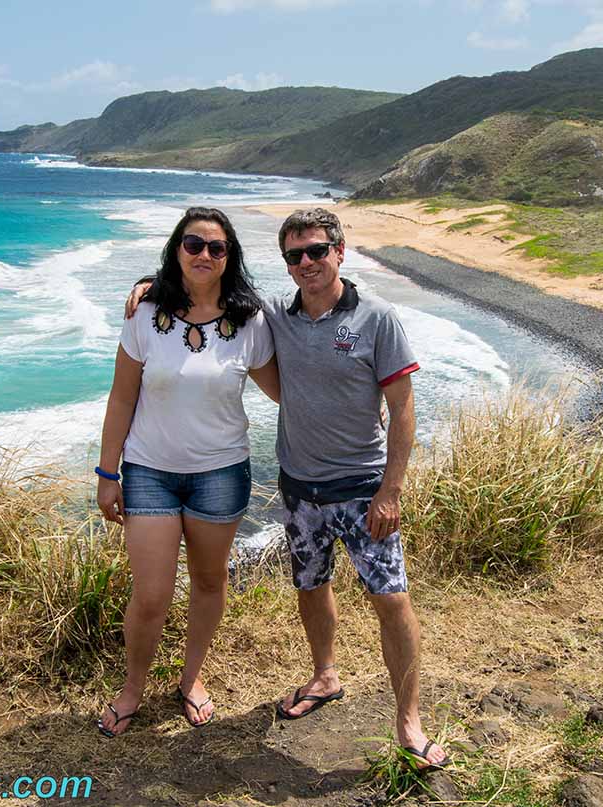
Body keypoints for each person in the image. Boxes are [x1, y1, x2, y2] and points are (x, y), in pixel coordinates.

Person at [125, 208, 448, 769]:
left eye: (318, 251)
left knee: (391, 600)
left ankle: (409, 723)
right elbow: (215, 300)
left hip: (363, 485)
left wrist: (390, 491)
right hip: (299, 487)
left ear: (340, 252)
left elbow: (403, 410)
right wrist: (152, 283)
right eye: (295, 256)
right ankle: (325, 676)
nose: (307, 264)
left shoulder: (377, 318)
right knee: (310, 587)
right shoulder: (273, 315)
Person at [96, 207, 280, 738]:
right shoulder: (145, 311)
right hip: (150, 470)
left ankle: (191, 679)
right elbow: (121, 394)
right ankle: (133, 687)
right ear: (176, 249)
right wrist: (108, 473)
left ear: (230, 257)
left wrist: (357, 405)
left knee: (208, 580)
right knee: (151, 594)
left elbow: (284, 390)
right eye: (193, 244)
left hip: (221, 472)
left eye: (216, 248)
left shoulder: (250, 320)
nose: (204, 254)